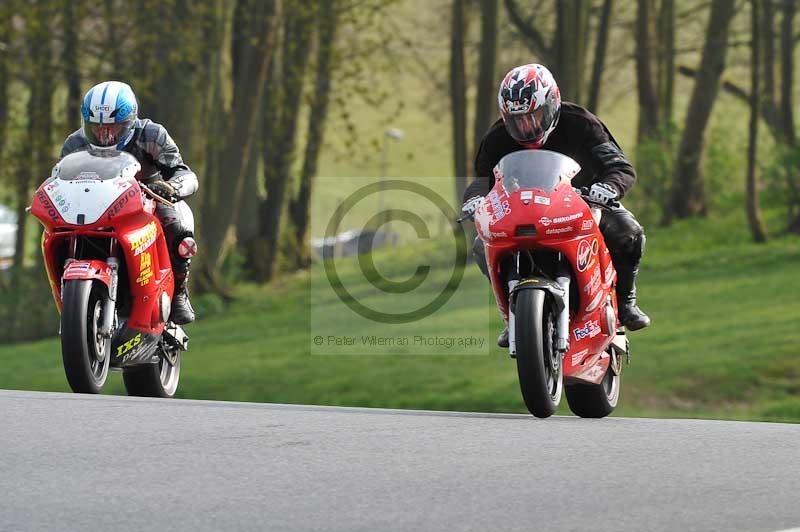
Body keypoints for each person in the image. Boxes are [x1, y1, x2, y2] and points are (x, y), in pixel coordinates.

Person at [462, 64, 651, 348]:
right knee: (481, 245)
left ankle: (626, 302)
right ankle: (512, 317)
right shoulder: (497, 136)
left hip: (585, 204)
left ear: (552, 104)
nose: (525, 127)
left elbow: (619, 165)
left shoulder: (581, 123)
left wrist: (608, 187)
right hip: (522, 211)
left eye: (533, 116)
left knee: (628, 231)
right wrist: (474, 200)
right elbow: (481, 180)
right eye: (516, 120)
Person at [60, 81, 197, 325]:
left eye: (114, 127)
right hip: (96, 206)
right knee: (59, 232)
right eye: (96, 127)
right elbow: (59, 178)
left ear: (131, 122)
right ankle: (72, 294)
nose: (105, 135)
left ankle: (179, 292)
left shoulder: (152, 134)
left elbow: (182, 171)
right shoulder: (75, 144)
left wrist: (171, 187)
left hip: (147, 200)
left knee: (177, 229)